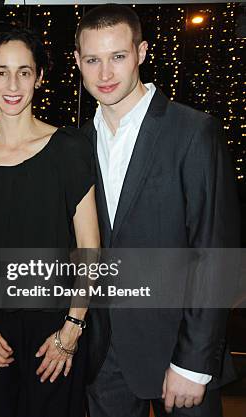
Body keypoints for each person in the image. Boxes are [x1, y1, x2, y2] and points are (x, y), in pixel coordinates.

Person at [73, 4, 239, 417]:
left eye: (118, 57)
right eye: (93, 60)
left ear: (143, 53)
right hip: (103, 357)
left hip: (178, 356)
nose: (105, 74)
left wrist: (193, 364)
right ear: (77, 62)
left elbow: (214, 254)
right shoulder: (73, 144)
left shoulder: (193, 131)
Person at [0, 23, 100, 417]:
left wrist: (71, 328)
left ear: (39, 78)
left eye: (24, 71)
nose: (12, 83)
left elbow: (90, 248)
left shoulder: (69, 150)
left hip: (55, 334)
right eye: (1, 72)